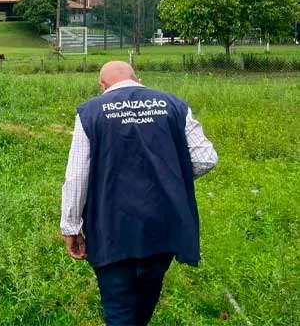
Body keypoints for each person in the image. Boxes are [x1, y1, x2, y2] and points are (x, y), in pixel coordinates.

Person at [60, 61, 218, 325]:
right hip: (162, 225)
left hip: (111, 227)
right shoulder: (174, 105)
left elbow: (77, 175)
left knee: (118, 308)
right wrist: (165, 178)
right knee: (146, 298)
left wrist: (71, 227)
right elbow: (205, 158)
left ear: (103, 86)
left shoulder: (90, 112)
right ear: (139, 80)